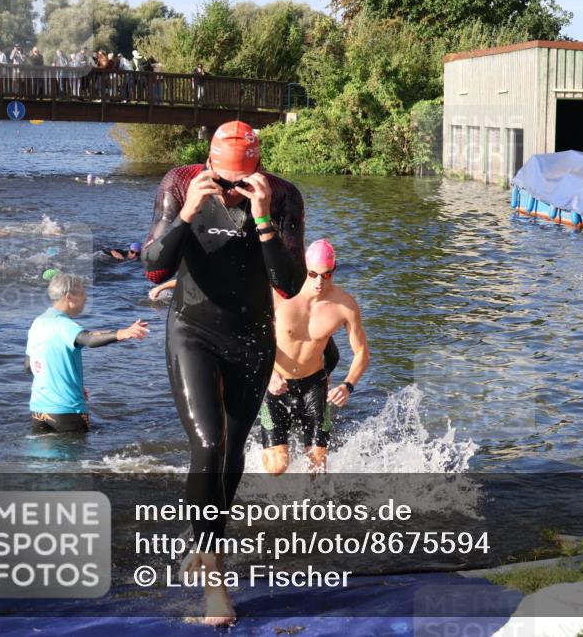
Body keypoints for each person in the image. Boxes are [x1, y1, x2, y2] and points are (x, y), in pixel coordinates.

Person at [141, 120, 315, 625]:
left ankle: (204, 547)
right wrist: (190, 211)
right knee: (209, 446)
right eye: (224, 181)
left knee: (234, 452)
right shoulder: (179, 184)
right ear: (210, 166)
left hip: (252, 336)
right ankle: (214, 575)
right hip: (192, 330)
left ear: (256, 169)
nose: (231, 191)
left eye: (241, 181)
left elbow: (288, 283)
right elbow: (154, 267)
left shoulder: (281, 196)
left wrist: (261, 217)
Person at [259, 239, 369, 475]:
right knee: (278, 467)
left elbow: (361, 353)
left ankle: (310, 510)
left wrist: (348, 385)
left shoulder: (345, 306)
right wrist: (268, 373)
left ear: (334, 270)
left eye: (327, 275)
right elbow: (247, 338)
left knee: (317, 469)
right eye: (313, 274)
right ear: (305, 267)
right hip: (277, 386)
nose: (320, 281)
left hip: (314, 386)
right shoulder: (280, 295)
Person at [25, 273, 149, 433]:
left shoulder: (37, 323)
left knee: (42, 457)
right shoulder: (64, 324)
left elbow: (29, 366)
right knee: (76, 457)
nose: (86, 298)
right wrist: (123, 333)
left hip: (38, 409)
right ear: (69, 297)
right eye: (83, 293)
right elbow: (88, 338)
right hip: (67, 409)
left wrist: (66, 381)